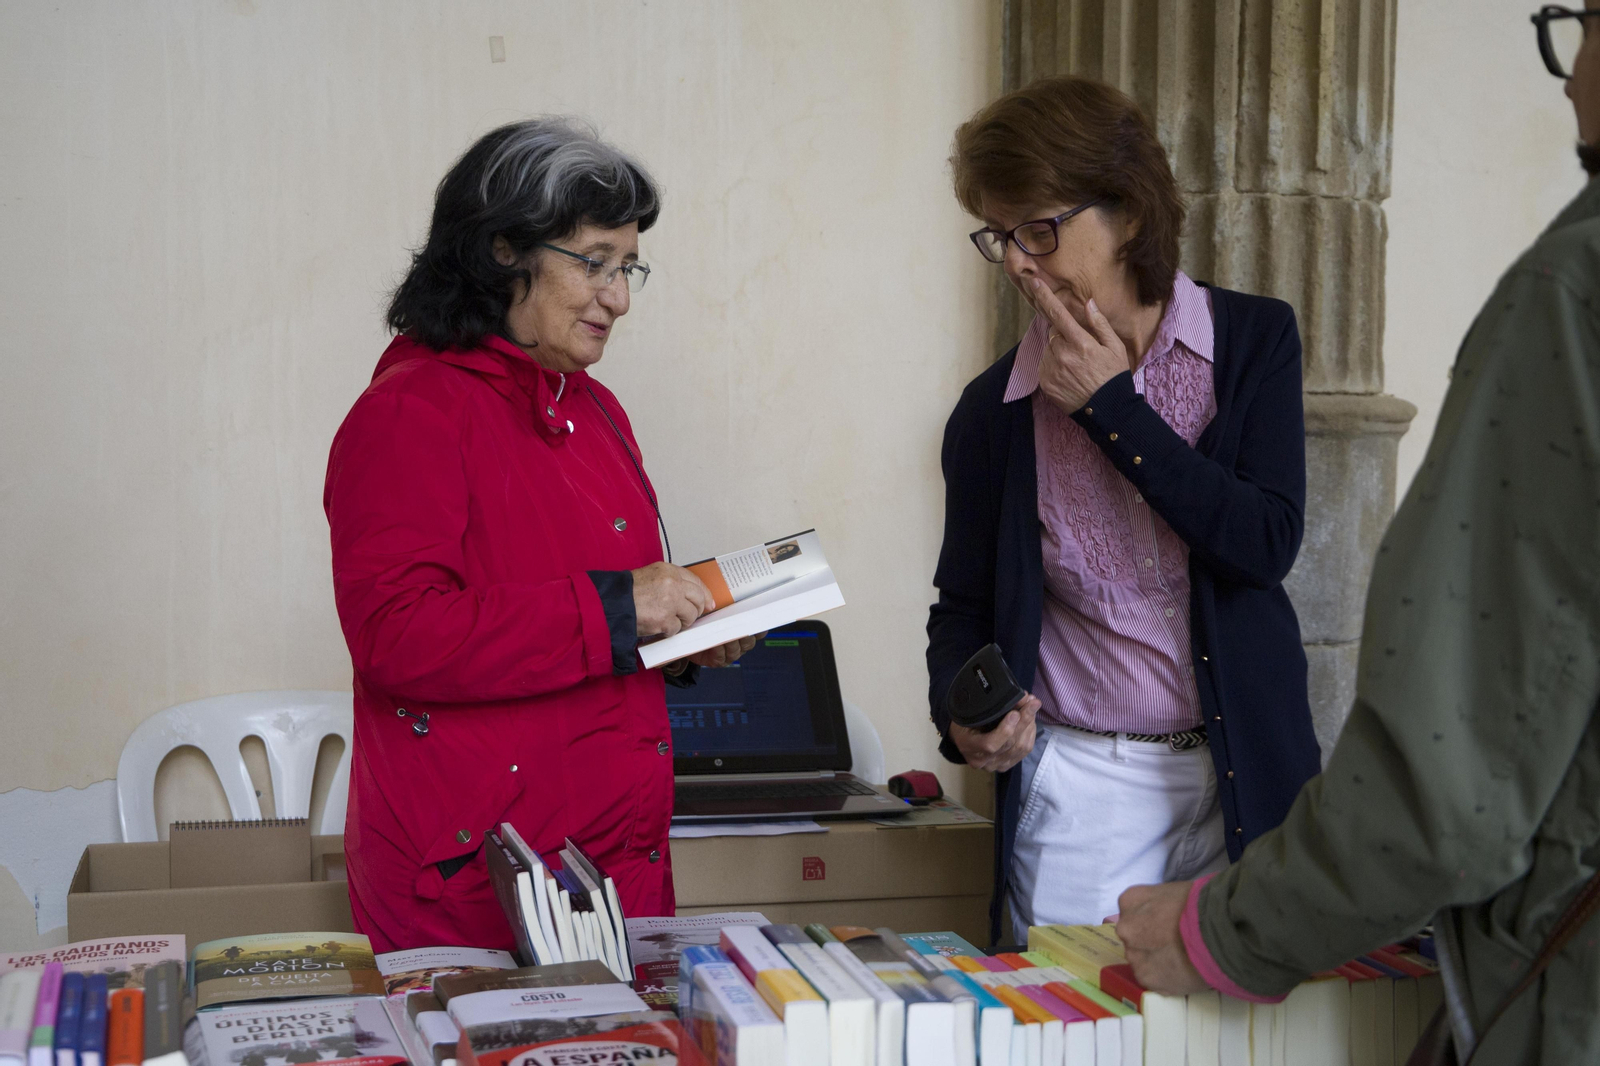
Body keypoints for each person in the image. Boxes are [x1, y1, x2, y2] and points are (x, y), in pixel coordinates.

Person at [1115, 7, 1600, 1060]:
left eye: (1587, 23)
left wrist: (1228, 930)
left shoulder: (1570, 296)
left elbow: (1447, 787)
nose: (1568, 77)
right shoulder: (992, 407)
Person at [323, 118, 754, 952]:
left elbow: (585, 624)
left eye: (629, 268)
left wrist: (681, 630)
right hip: (478, 882)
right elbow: (396, 635)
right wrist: (626, 606)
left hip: (612, 864)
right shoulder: (409, 413)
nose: (619, 297)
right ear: (501, 252)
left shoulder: (595, 411)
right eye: (594, 261)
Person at [926, 75, 1323, 944]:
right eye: (1000, 236)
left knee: (1245, 1035)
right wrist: (963, 718)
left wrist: (1114, 411)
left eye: (1040, 229)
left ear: (1131, 213)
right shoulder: (993, 412)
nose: (1019, 263)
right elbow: (960, 608)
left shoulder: (1254, 343)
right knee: (1074, 1030)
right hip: (1082, 794)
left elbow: (1263, 544)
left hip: (1245, 775)